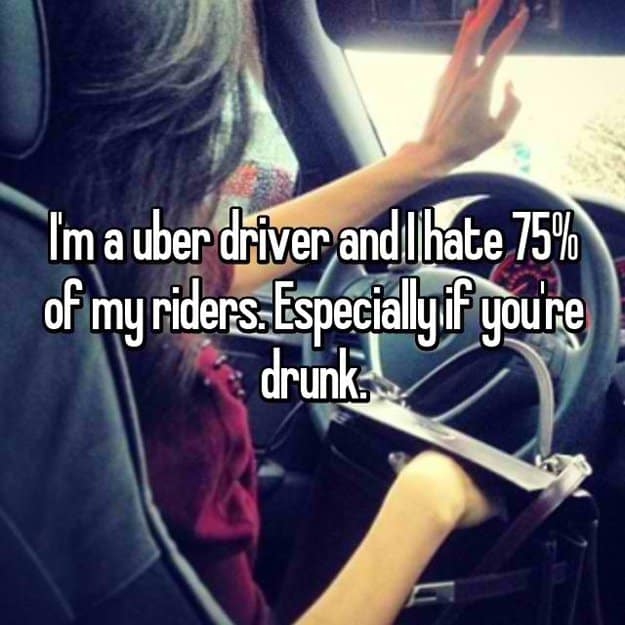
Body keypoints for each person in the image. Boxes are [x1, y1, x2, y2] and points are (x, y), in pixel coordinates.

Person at [1, 1, 529, 624]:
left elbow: (212, 262)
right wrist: (429, 497)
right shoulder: (166, 403)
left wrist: (423, 159)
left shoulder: (45, 282)